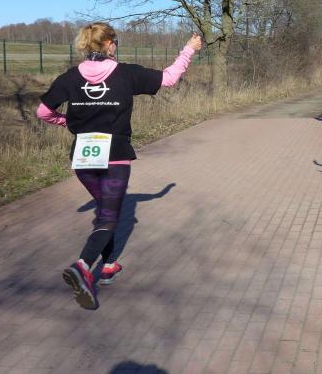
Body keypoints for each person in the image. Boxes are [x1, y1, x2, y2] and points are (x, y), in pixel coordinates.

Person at [37, 23, 203, 309]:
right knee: (108, 217)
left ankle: (109, 265)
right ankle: (82, 267)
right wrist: (189, 49)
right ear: (109, 44)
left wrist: (67, 122)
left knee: (105, 212)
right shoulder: (126, 74)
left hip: (83, 158)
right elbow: (169, 78)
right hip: (114, 155)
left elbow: (43, 111)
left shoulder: (70, 77)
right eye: (116, 41)